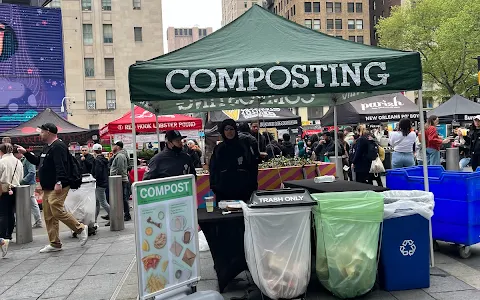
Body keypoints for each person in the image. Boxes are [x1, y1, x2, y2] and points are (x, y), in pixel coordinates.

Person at [16, 123, 89, 252]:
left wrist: (59, 182)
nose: (40, 134)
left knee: (55, 208)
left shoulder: (58, 146)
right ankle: (55, 243)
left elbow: (61, 165)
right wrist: (25, 153)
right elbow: (38, 161)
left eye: (42, 132)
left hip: (58, 185)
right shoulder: (47, 147)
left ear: (48, 132)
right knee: (49, 215)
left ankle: (80, 228)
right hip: (48, 187)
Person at [209, 119, 258, 202]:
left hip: (244, 191)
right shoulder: (219, 149)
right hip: (223, 192)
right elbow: (213, 168)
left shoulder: (244, 146)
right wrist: (215, 186)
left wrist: (252, 185)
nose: (229, 132)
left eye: (231, 129)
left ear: (235, 130)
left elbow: (252, 166)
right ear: (223, 131)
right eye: (226, 129)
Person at [13, 146, 42, 228]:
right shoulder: (22, 160)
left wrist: (22, 181)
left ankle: (34, 221)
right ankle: (38, 220)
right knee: (32, 202)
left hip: (28, 184)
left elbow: (32, 172)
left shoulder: (27, 159)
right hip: (27, 184)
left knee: (28, 202)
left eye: (15, 154)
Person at [0, 143, 23, 240]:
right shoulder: (18, 162)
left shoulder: (2, 161)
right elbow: (21, 177)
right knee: (11, 213)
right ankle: (9, 234)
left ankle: (2, 235)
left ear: (1, 151)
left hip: (3, 189)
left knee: (3, 213)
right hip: (15, 189)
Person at [110, 141, 131, 221]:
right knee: (121, 198)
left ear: (117, 146)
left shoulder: (120, 156)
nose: (113, 147)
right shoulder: (119, 155)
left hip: (120, 180)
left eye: (114, 145)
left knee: (122, 198)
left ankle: (127, 214)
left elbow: (120, 169)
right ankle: (124, 213)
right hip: (120, 180)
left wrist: (117, 178)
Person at [91, 144, 110, 226]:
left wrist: (94, 178)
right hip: (104, 182)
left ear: (94, 151)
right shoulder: (104, 160)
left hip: (99, 183)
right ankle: (94, 220)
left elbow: (97, 172)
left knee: (102, 202)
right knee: (97, 202)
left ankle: (114, 216)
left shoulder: (97, 160)